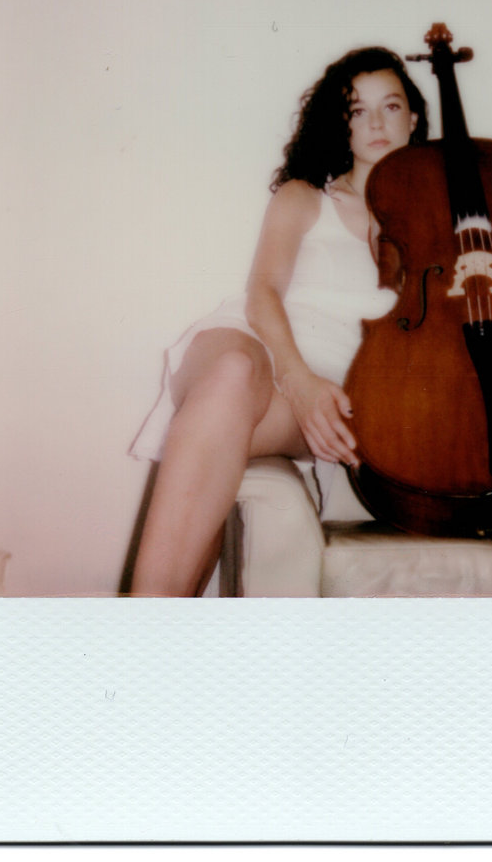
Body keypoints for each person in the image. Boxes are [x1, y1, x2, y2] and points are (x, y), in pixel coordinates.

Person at [128, 47, 429, 596]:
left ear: (413, 118)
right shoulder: (305, 197)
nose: (376, 123)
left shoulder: (435, 222)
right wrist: (298, 379)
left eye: (390, 106)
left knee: (219, 432)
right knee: (233, 373)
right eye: (358, 110)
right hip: (258, 345)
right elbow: (263, 292)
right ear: (341, 125)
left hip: (326, 392)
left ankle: (152, 623)